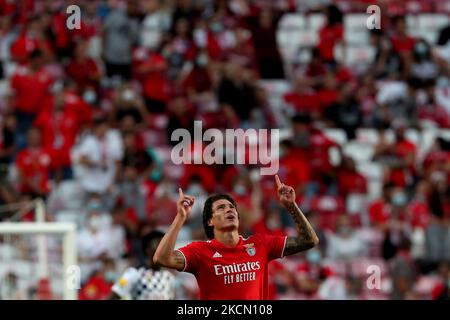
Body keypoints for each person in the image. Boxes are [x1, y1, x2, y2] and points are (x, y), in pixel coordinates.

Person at [153, 175, 319, 300]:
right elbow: (162, 258)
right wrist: (180, 218)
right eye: (221, 208)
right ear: (210, 221)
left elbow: (309, 240)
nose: (229, 210)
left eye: (232, 207)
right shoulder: (200, 251)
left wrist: (292, 207)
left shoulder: (260, 244)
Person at [110, 230, 176, 300]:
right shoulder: (133, 273)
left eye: (165, 247)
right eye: (157, 245)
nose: (162, 250)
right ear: (148, 250)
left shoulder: (169, 277)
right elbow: (114, 296)